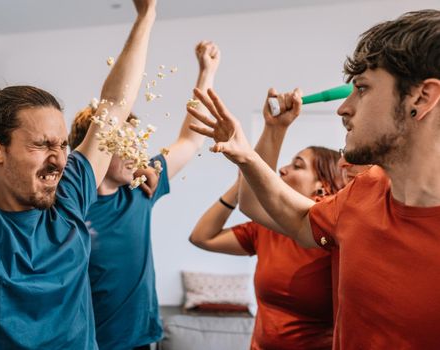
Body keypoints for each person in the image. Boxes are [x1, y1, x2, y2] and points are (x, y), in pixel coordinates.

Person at [187, 9, 440, 349]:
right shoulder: (364, 194)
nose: (343, 108)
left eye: (362, 89)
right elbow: (295, 216)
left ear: (421, 98)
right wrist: (246, 155)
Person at [0, 0, 156, 348]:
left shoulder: (69, 200)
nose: (58, 159)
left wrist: (147, 16)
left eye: (62, 145)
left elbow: (115, 107)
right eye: (42, 145)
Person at [69, 41, 221, 350]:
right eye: (122, 144)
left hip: (142, 338)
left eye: (136, 142)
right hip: (91, 342)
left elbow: (190, 141)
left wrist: (206, 73)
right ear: (97, 149)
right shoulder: (71, 203)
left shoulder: (140, 189)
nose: (135, 151)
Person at [189, 95, 344, 349]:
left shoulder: (333, 233)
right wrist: (241, 181)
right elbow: (202, 236)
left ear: (323, 187)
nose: (283, 169)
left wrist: (249, 168)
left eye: (297, 165)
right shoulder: (267, 229)